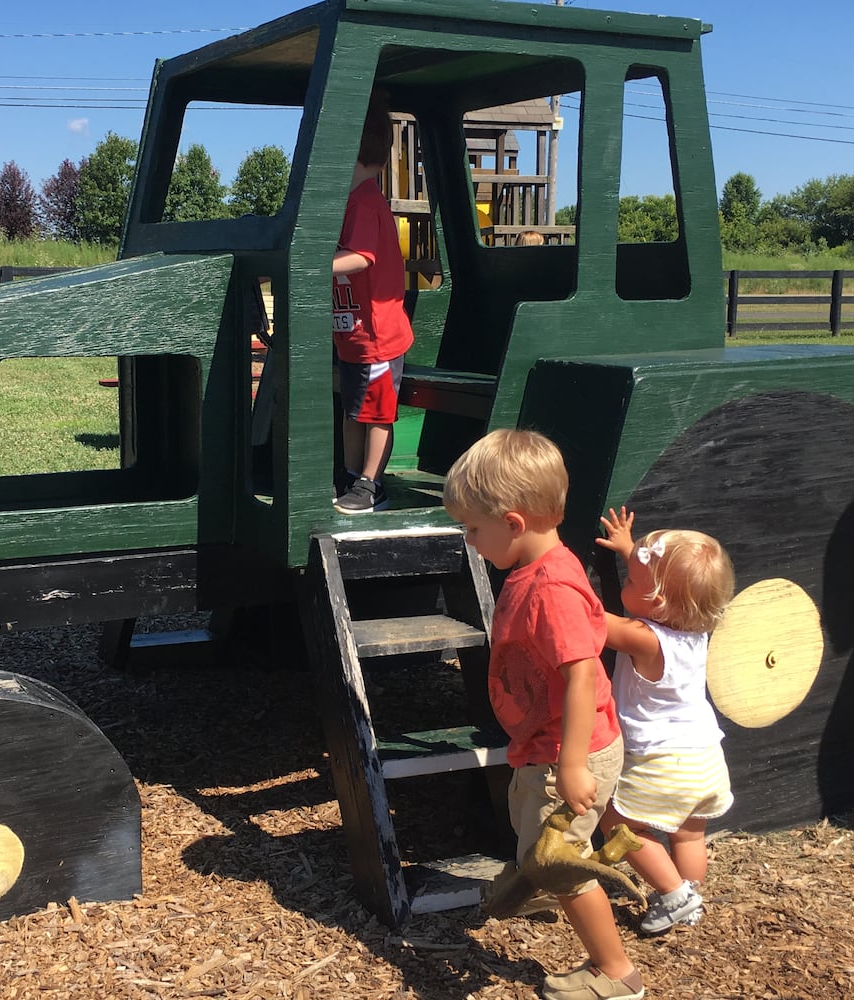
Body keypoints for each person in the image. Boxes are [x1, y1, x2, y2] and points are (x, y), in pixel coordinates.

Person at [443, 429, 643, 1000]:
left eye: (473, 529)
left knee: (565, 867)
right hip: (545, 746)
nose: (469, 540)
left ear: (512, 522)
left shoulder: (549, 586)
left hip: (567, 752)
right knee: (531, 833)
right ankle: (532, 881)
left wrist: (575, 764)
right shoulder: (534, 569)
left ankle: (616, 974)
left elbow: (581, 674)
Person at [594, 506, 736, 935]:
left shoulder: (643, 638)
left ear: (655, 601)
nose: (626, 582)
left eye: (632, 580)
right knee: (690, 835)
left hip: (662, 760)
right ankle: (688, 896)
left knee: (616, 822)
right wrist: (629, 551)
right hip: (706, 756)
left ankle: (673, 893)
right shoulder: (694, 631)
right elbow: (660, 590)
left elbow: (591, 622)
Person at [331, 92, 414, 514]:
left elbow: (362, 258)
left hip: (378, 336)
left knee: (378, 414)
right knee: (353, 411)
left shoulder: (364, 199)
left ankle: (372, 484)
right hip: (353, 336)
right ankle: (349, 476)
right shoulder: (346, 201)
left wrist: (315, 266)